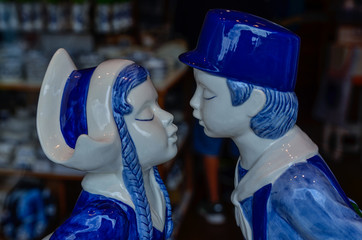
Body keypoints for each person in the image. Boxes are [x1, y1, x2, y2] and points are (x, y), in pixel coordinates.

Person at [179, 9, 362, 240]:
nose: (193, 102)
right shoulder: (254, 164)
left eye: (208, 94)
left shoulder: (296, 188)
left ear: (255, 102)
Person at [37, 48, 178, 240]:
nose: (167, 117)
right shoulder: (104, 220)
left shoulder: (149, 186)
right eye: (146, 114)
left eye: (157, 105)